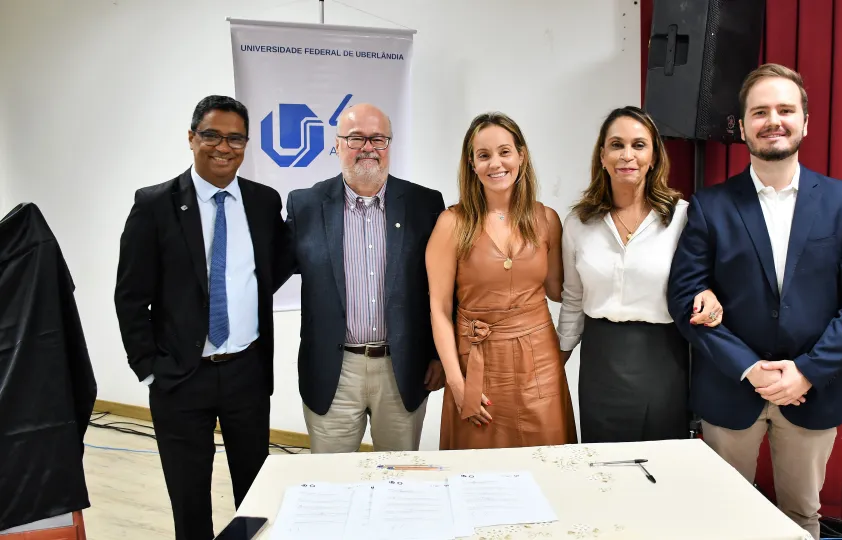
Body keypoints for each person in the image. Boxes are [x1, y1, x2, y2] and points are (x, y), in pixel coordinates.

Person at [667, 64, 842, 539]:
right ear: (742, 127)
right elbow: (684, 296)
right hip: (730, 388)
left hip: (813, 390)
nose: (773, 121)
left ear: (805, 122)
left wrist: (806, 370)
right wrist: (749, 368)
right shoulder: (710, 205)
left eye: (785, 110)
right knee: (724, 521)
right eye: (760, 111)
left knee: (802, 518)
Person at [114, 95, 289, 540]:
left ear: (246, 144)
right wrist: (149, 369)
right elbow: (130, 297)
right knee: (189, 500)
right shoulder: (154, 205)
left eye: (235, 138)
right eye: (211, 135)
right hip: (180, 378)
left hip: (246, 373)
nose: (223, 147)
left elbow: (273, 269)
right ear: (192, 138)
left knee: (256, 495)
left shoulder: (264, 202)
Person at [283, 103, 446, 453]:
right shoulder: (305, 205)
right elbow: (271, 271)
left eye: (378, 139)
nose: (368, 148)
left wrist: (439, 355)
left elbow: (444, 287)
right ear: (337, 144)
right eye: (356, 138)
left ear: (389, 144)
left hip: (403, 370)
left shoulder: (425, 204)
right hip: (334, 372)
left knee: (399, 475)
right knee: (332, 478)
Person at [558, 106, 724, 443]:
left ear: (654, 156)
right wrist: (556, 361)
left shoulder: (682, 218)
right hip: (600, 359)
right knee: (602, 462)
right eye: (616, 145)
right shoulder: (578, 222)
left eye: (638, 145)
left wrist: (710, 298)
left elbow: (701, 285)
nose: (627, 155)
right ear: (602, 156)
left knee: (659, 463)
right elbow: (573, 299)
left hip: (663, 358)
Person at [426, 111, 578, 449]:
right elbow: (439, 309)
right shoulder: (452, 223)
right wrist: (457, 383)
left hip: (540, 362)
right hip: (476, 362)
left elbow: (560, 291)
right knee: (480, 465)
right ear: (472, 164)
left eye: (504, 152)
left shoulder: (547, 219)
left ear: (521, 156)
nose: (496, 163)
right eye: (484, 155)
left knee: (546, 461)